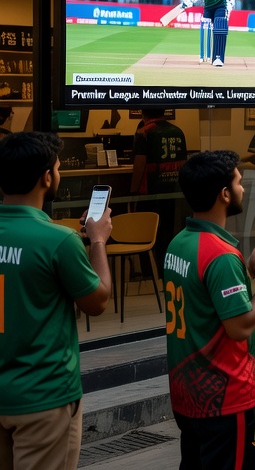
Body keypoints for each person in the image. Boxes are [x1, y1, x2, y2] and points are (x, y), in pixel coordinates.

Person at [165, 150, 255, 470]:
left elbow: (208, 299)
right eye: (238, 182)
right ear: (224, 194)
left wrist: (249, 270)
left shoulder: (179, 242)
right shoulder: (220, 255)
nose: (243, 188)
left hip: (188, 395)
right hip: (228, 398)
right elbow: (240, 326)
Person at [0, 132, 113, 470]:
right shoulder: (59, 241)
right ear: (47, 177)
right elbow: (98, 301)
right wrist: (98, 242)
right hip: (44, 396)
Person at [131, 107, 188, 263]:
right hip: (174, 190)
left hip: (151, 190)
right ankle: (169, 265)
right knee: (169, 230)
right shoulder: (178, 131)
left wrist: (132, 191)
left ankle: (150, 269)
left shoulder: (143, 132)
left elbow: (140, 163)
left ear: (143, 113)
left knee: (148, 232)